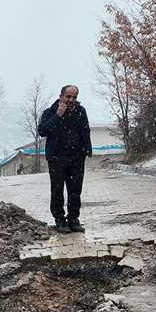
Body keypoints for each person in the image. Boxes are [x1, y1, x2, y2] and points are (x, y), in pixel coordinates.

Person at [38, 85, 93, 233]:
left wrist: (86, 150)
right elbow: (42, 131)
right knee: (57, 191)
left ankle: (73, 220)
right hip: (57, 157)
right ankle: (60, 221)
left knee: (75, 190)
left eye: (74, 97)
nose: (71, 100)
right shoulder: (50, 112)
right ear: (61, 96)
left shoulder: (81, 111)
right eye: (68, 97)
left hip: (76, 157)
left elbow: (85, 131)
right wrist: (58, 116)